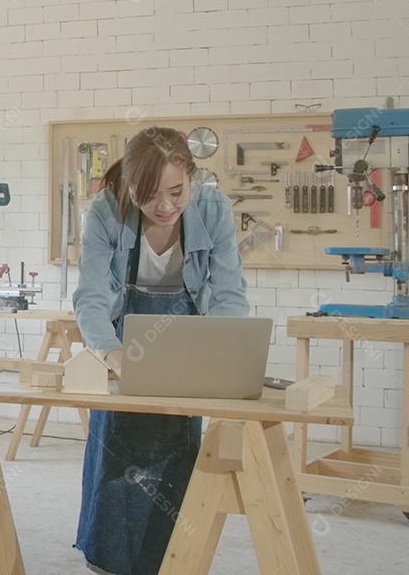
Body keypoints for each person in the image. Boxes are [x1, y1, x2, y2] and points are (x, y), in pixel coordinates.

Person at [72, 126, 249, 575]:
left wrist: (219, 355)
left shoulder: (215, 209)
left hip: (185, 348)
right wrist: (113, 356)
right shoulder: (105, 212)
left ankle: (171, 561)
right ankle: (107, 562)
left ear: (192, 176)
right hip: (122, 349)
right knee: (116, 463)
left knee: (177, 462)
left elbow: (229, 295)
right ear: (130, 186)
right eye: (151, 196)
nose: (166, 206)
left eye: (177, 191)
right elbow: (91, 298)